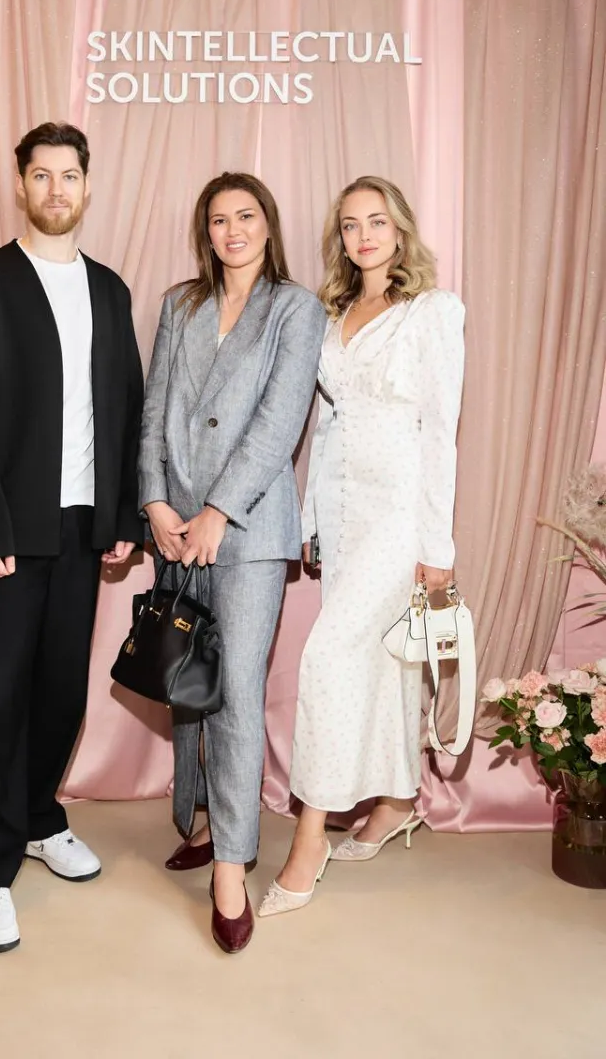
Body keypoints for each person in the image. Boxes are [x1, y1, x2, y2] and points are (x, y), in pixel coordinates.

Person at [0, 121, 144, 952]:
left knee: (61, 689)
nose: (56, 189)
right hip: (11, 527)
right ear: (20, 185)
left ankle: (35, 817)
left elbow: (126, 410)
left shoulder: (110, 290)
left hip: (83, 525)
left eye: (69, 176)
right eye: (41, 176)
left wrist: (123, 517)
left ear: (88, 187)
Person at [259, 175, 465, 918]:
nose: (364, 236)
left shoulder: (433, 312)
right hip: (344, 513)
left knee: (328, 657)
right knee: (383, 664)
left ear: (400, 229)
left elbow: (440, 434)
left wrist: (437, 545)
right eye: (350, 225)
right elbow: (327, 426)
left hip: (400, 514)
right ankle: (398, 800)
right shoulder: (332, 314)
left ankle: (309, 836)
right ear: (340, 239)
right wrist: (311, 519)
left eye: (377, 221)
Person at [139, 171, 325, 953]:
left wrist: (219, 511)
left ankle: (230, 866)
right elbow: (152, 410)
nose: (233, 230)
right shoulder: (179, 306)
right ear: (205, 232)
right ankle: (203, 820)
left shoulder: (296, 309)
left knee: (238, 692)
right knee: (187, 680)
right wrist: (154, 502)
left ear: (268, 226)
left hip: (246, 531)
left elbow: (281, 422)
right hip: (176, 528)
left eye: (246, 216)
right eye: (219, 220)